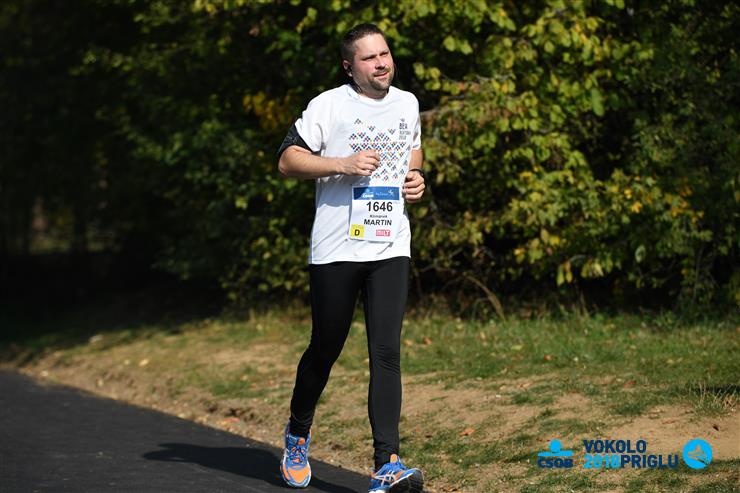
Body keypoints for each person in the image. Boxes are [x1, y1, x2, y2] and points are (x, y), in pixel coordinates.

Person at [276, 23, 426, 493]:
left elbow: (413, 149)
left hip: (390, 244)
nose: (381, 64)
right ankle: (298, 432)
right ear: (349, 66)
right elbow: (287, 160)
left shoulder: (407, 102)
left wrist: (416, 179)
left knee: (386, 352)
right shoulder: (329, 105)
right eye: (369, 58)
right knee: (326, 348)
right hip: (337, 249)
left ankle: (387, 464)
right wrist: (341, 163)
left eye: (385, 54)